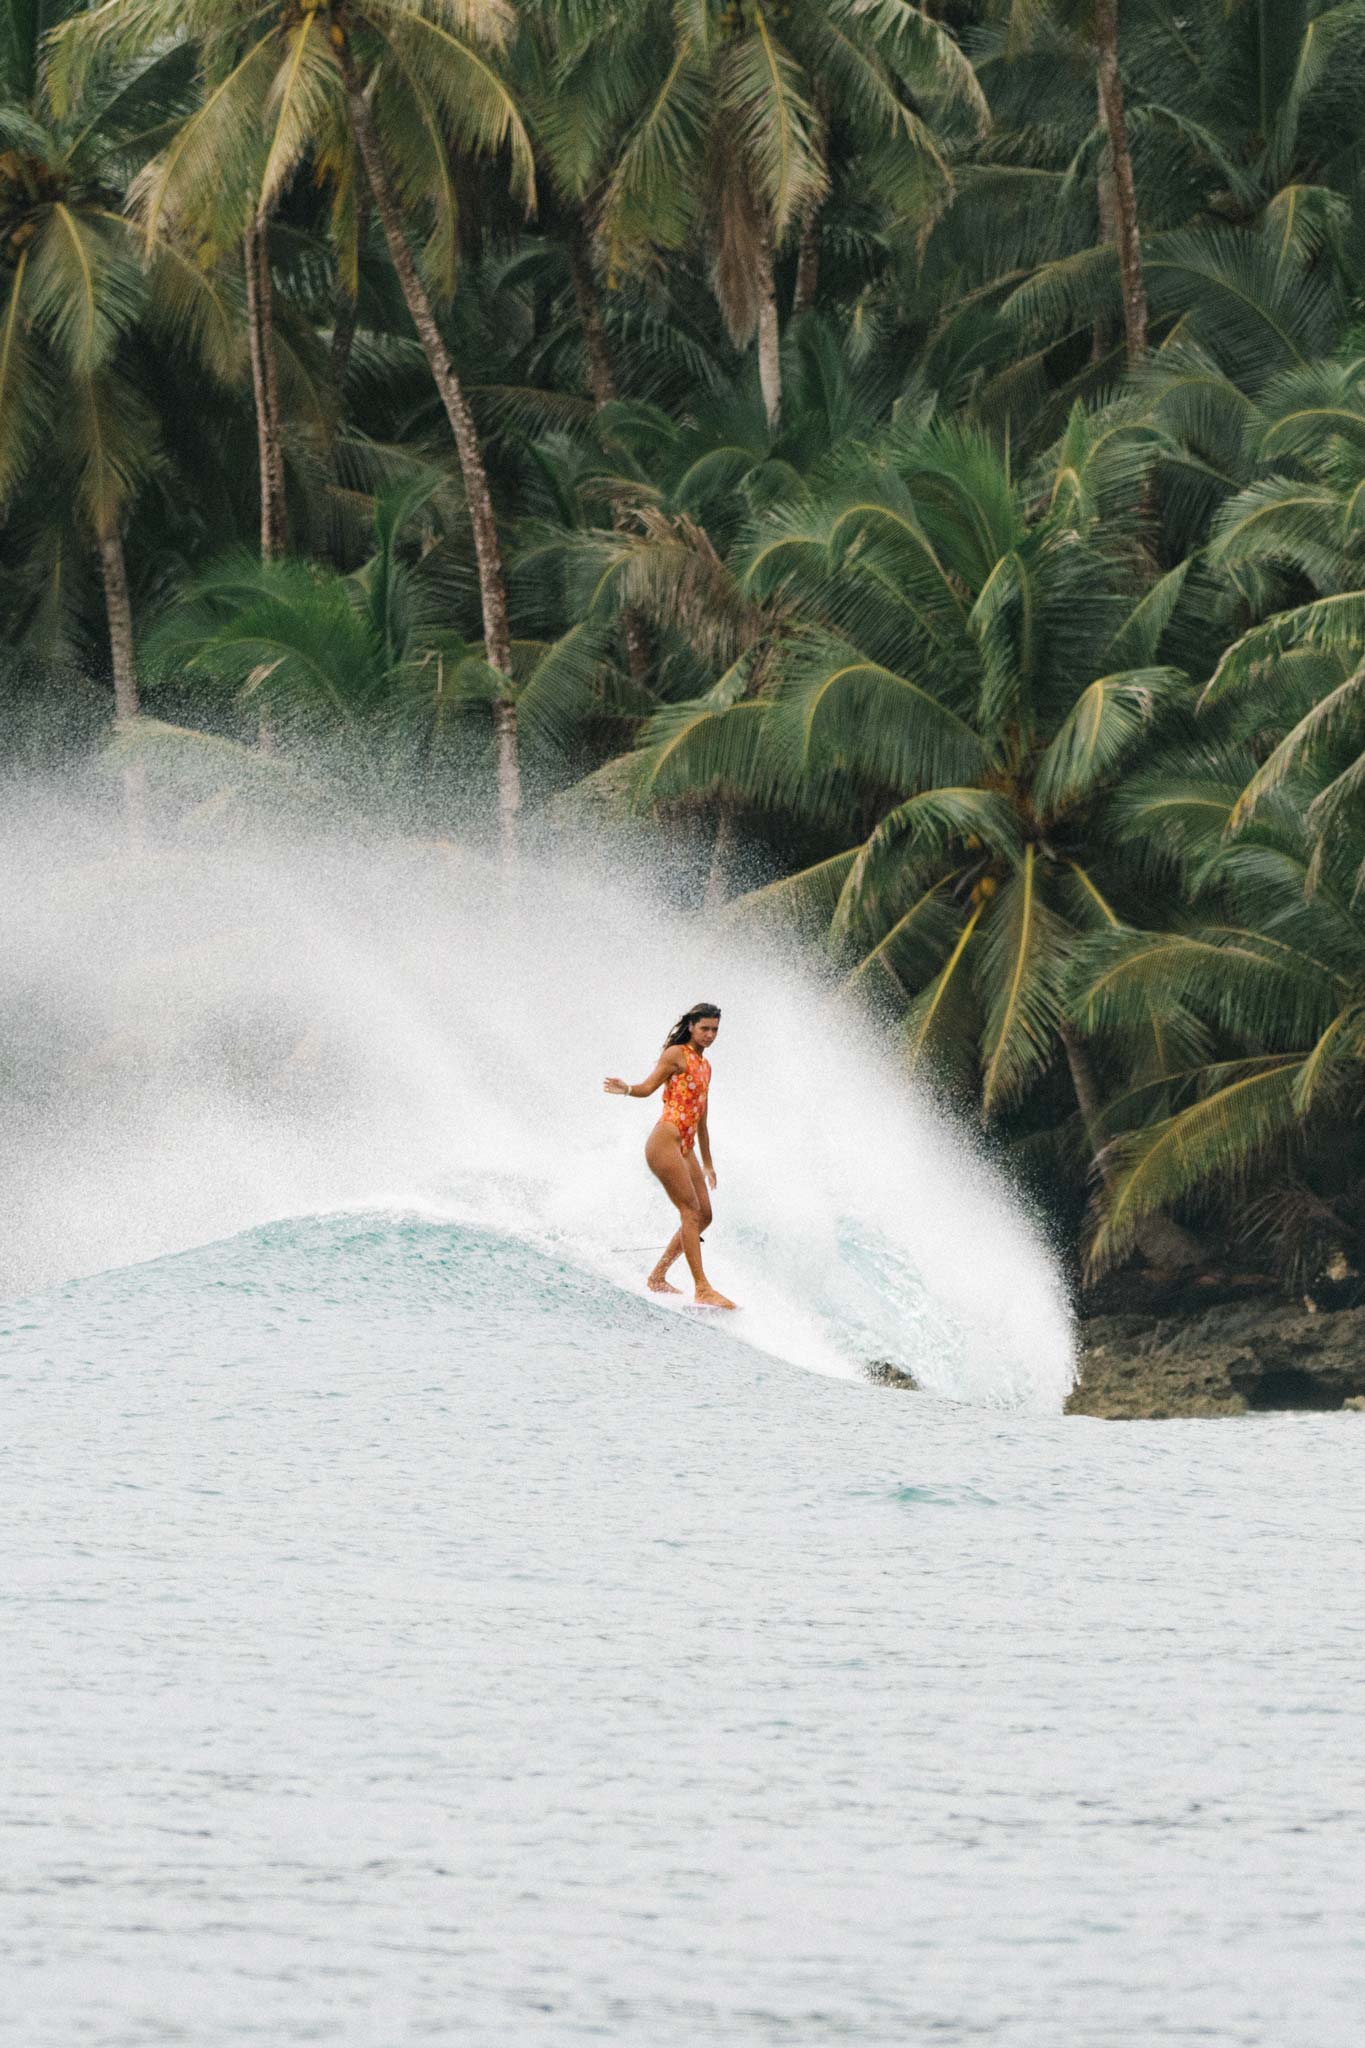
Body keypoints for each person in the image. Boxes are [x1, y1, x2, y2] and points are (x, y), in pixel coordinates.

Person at [603, 1003, 737, 1309]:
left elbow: (702, 1118)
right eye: (705, 1028)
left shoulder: (705, 1066)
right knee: (690, 1211)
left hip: (686, 1145)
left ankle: (658, 1277)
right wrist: (626, 1089)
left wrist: (708, 1164)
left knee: (705, 1215)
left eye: (715, 1030)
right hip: (665, 1139)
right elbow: (648, 1088)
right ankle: (702, 1288)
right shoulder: (676, 1054)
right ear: (691, 1026)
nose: (710, 1035)